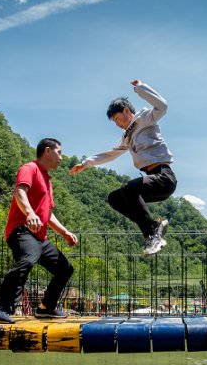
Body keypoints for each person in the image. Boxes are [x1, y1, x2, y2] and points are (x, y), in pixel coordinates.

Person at [69, 80, 175, 256]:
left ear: (126, 110)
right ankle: (153, 227)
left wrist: (140, 89)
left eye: (117, 118)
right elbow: (111, 154)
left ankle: (152, 236)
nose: (117, 124)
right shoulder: (127, 136)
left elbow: (162, 106)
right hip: (152, 180)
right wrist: (86, 163)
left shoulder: (144, 118)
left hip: (164, 177)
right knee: (115, 198)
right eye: (114, 122)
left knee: (129, 188)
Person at [0, 138, 78, 324]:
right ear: (47, 151)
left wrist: (65, 232)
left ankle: (46, 309)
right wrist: (29, 213)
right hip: (21, 230)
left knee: (65, 269)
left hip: (39, 237)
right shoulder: (30, 168)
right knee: (29, 258)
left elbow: (47, 215)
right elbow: (19, 191)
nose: (61, 157)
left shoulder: (48, 180)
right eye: (59, 152)